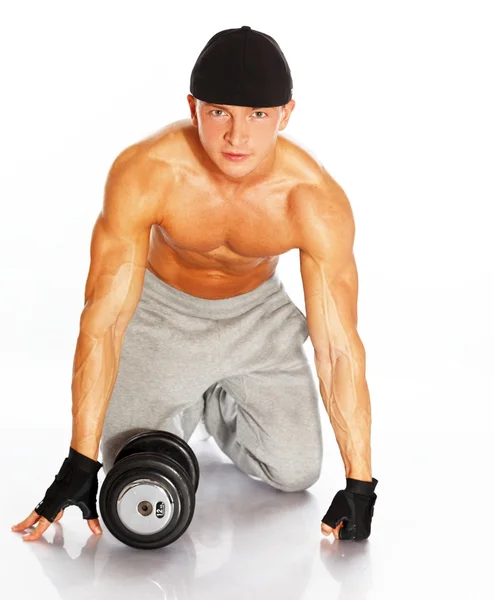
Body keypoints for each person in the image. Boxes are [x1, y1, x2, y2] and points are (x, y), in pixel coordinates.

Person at [12, 25, 378, 544]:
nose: (237, 136)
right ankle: (182, 398)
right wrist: (79, 457)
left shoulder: (312, 199)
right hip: (164, 312)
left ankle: (211, 401)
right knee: (125, 461)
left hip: (258, 318)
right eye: (219, 112)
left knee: (296, 474)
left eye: (257, 116)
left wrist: (361, 483)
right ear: (193, 106)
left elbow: (339, 347)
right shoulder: (148, 171)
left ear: (286, 115)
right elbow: (104, 319)